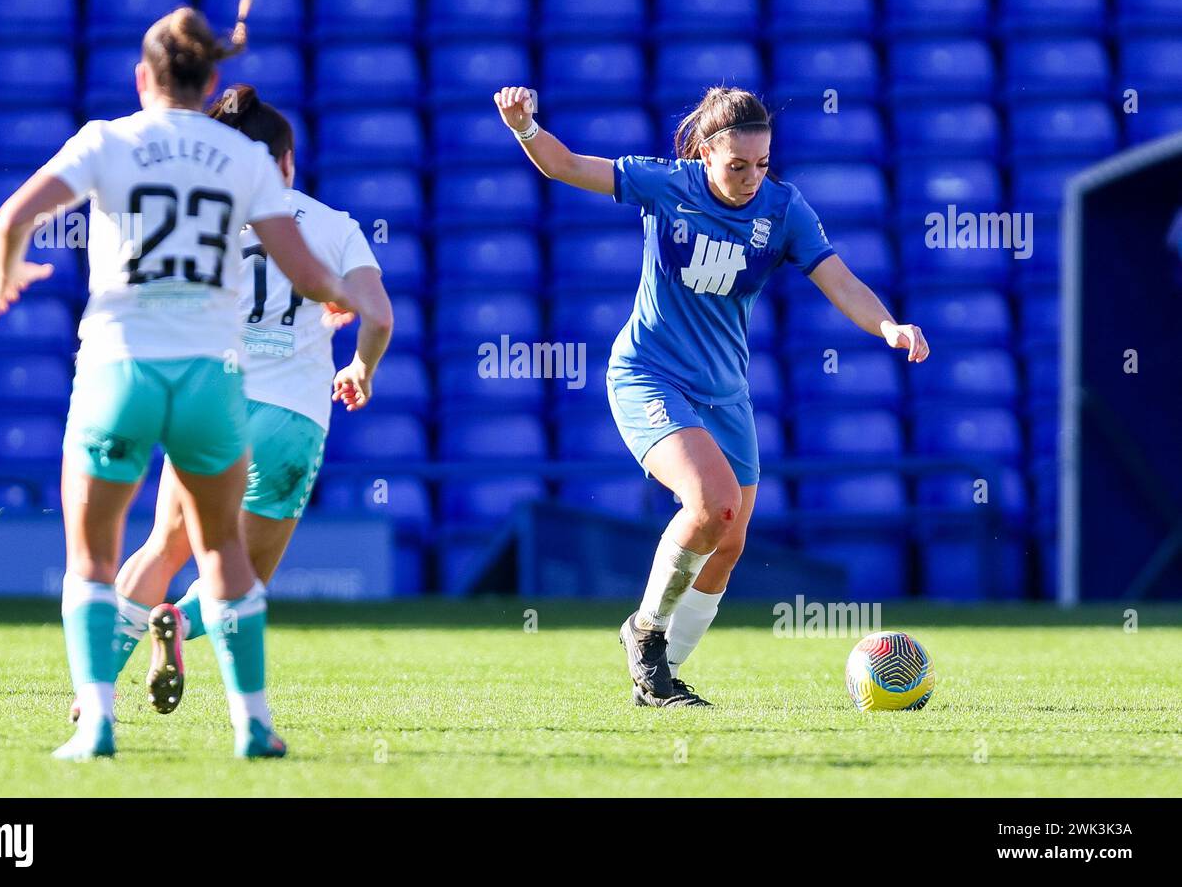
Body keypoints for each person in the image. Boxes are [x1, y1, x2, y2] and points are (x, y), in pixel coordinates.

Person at [0, 1, 369, 759]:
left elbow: (13, 217)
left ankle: (97, 722)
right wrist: (337, 300)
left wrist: (9, 274)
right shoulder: (249, 161)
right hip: (210, 375)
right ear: (212, 80)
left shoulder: (108, 140)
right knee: (221, 549)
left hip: (119, 362)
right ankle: (253, 726)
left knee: (94, 557)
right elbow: (302, 269)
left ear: (143, 77)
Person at [492, 84, 930, 707]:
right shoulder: (665, 185)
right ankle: (644, 633)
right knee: (712, 504)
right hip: (650, 374)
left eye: (763, 163)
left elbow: (839, 279)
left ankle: (659, 681)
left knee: (729, 542)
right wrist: (524, 127)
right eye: (738, 165)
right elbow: (565, 166)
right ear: (704, 153)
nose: (752, 177)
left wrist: (889, 325)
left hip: (725, 394)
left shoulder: (783, 210)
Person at [100, 84, 392, 719]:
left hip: (211, 403)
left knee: (163, 545)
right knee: (242, 581)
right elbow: (379, 315)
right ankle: (178, 620)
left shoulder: (200, 224)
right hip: (291, 418)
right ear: (286, 162)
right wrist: (361, 369)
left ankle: (94, 692)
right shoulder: (333, 226)